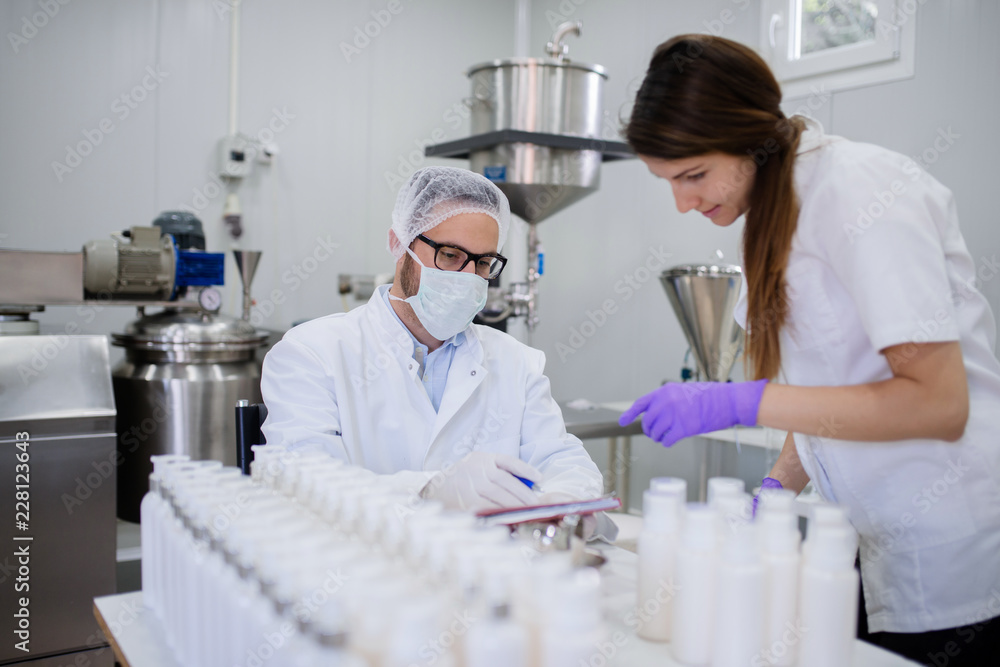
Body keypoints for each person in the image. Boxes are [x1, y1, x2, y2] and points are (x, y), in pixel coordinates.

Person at [619, 34, 1000, 665]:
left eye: (692, 175)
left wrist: (745, 403)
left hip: (947, 552)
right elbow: (827, 387)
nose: (683, 202)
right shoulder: (769, 215)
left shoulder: (862, 193)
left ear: (748, 140)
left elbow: (938, 404)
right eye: (668, 181)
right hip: (864, 541)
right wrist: (775, 487)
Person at [260, 166, 612, 538]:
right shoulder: (311, 354)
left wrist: (565, 506)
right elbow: (303, 485)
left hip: (487, 578)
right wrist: (426, 492)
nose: (468, 276)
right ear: (400, 244)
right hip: (360, 575)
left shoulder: (516, 362)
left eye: (483, 263)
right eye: (449, 255)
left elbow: (561, 459)